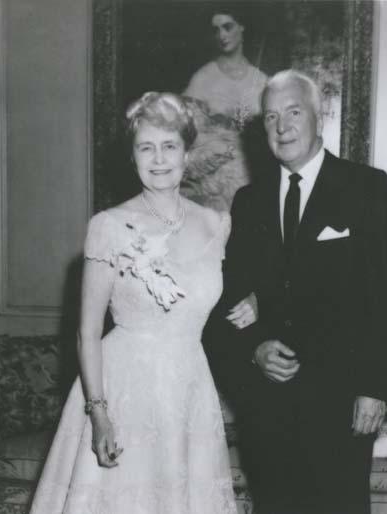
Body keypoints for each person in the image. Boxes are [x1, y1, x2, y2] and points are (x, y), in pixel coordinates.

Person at [206, 70, 387, 514]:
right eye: (271, 117)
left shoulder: (368, 188)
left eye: (294, 112)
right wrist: (253, 349)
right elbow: (231, 297)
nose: (282, 127)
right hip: (268, 402)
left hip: (341, 400)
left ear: (320, 116)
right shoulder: (249, 201)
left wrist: (374, 389)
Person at [29, 92, 237, 514]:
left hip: (190, 389)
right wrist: (99, 413)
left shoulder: (217, 225)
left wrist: (253, 302)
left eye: (169, 145)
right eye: (146, 147)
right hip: (125, 391)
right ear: (132, 156)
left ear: (186, 151)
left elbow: (226, 297)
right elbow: (87, 332)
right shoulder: (108, 226)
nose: (158, 159)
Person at [184, 5, 267, 129]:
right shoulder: (202, 78)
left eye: (227, 27)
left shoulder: (261, 79)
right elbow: (187, 127)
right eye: (216, 30)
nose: (222, 35)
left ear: (241, 26)